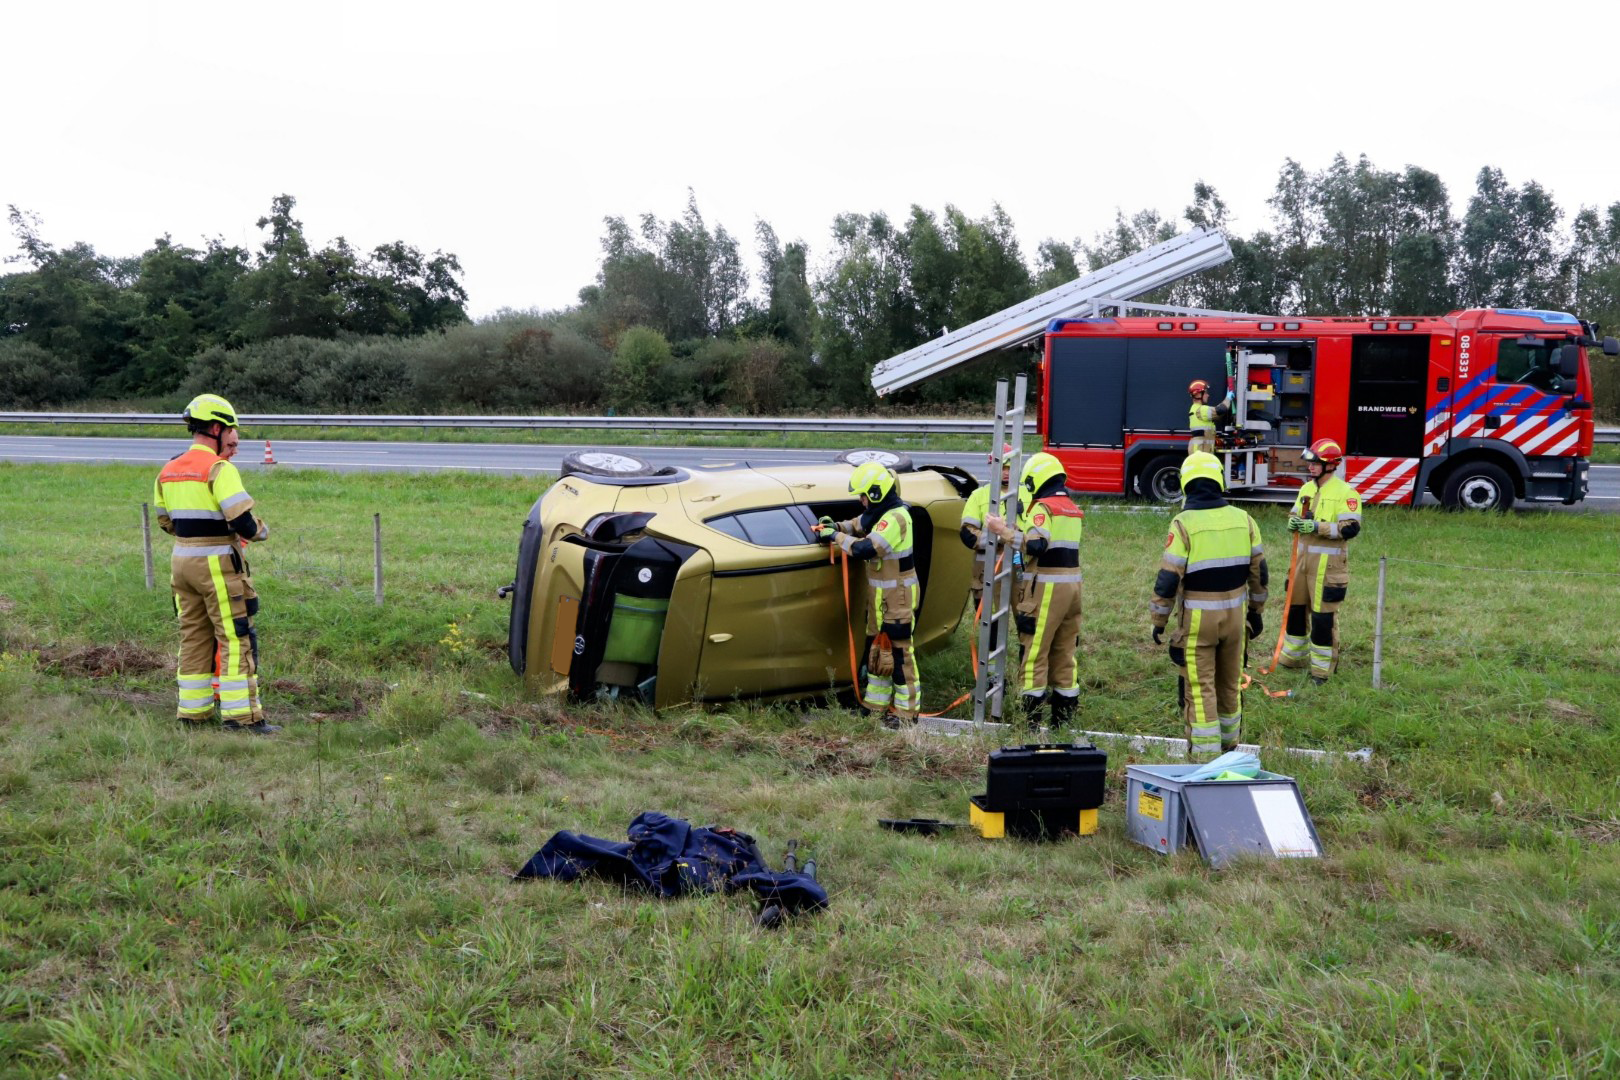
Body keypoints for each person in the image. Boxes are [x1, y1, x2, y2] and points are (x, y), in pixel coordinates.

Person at [153, 394, 278, 734]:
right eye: (230, 432)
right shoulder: (218, 469)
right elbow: (245, 523)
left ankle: (192, 713)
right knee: (236, 638)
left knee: (193, 636)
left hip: (181, 561)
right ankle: (243, 718)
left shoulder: (169, 468)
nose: (233, 441)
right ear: (214, 428)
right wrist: (262, 531)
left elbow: (165, 521)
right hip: (216, 564)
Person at [1149, 452, 1269, 759]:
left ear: (1187, 484)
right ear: (1219, 480)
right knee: (1230, 684)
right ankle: (1230, 749)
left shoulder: (1183, 523)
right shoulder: (1244, 519)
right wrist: (1256, 613)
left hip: (1199, 621)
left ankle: (1203, 757)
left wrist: (1159, 621)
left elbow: (1168, 579)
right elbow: (1259, 574)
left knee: (1200, 688)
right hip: (1236, 618)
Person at [815, 462, 920, 723]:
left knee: (899, 653)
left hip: (898, 597)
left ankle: (908, 713)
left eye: (862, 496)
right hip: (881, 599)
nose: (861, 501)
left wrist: (834, 538)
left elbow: (866, 549)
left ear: (875, 493)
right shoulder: (878, 513)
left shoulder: (896, 518)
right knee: (877, 648)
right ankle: (876, 705)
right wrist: (836, 527)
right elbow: (856, 524)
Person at [986, 452, 1083, 728]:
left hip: (1048, 587)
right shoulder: (1070, 507)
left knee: (1034, 652)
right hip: (1073, 586)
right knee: (1065, 654)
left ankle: (1029, 723)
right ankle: (1062, 723)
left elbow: (1038, 545)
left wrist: (1002, 530)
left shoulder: (1043, 507)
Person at [1280, 438, 1362, 684]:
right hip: (1302, 562)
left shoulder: (1346, 493)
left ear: (1331, 465)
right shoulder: (1306, 489)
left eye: (1316, 463)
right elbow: (1295, 513)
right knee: (1295, 611)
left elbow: (1351, 529)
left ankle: (1321, 671)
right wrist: (1293, 521)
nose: (1311, 467)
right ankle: (1293, 658)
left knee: (1322, 617)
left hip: (1328, 566)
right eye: (1311, 462)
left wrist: (1317, 527)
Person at [959, 443, 1014, 623]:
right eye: (1001, 467)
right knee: (987, 621)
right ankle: (988, 650)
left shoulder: (1026, 496)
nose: (1005, 472)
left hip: (1017, 567)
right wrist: (998, 537)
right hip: (985, 570)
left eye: (1009, 467)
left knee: (1025, 617)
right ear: (992, 467)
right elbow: (968, 534)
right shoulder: (979, 496)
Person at [1187, 379, 1234, 454]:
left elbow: (1217, 414)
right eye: (1205, 393)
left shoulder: (1196, 408)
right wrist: (1228, 398)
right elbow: (1220, 410)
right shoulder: (1201, 410)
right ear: (1198, 394)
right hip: (1200, 453)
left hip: (1200, 451)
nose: (1208, 395)